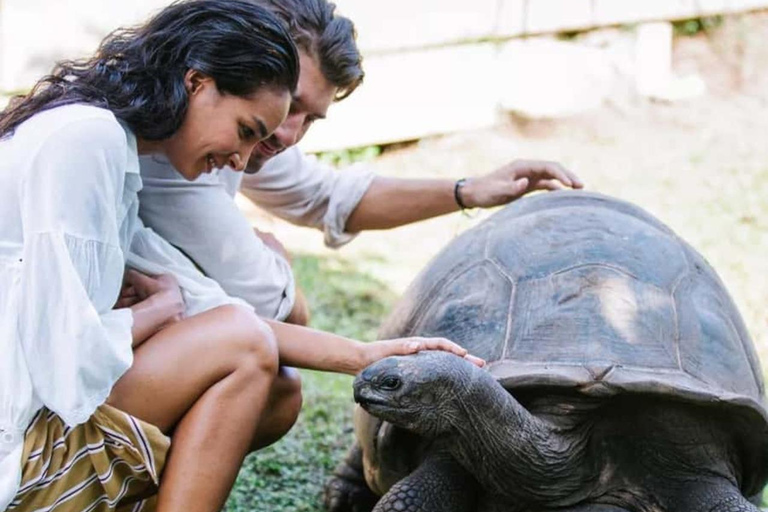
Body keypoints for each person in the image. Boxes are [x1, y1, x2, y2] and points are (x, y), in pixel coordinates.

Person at [0, 2, 481, 511]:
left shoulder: (120, 153)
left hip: (39, 415)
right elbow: (67, 360)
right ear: (197, 83)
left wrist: (361, 355)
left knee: (274, 384)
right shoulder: (86, 140)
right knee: (244, 345)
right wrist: (157, 311)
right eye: (247, 131)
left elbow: (206, 305)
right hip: (18, 438)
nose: (242, 160)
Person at [138, 0, 585, 329]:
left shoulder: (243, 132)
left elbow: (327, 196)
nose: (290, 134)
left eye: (311, 118)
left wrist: (468, 191)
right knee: (271, 378)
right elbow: (275, 303)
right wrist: (282, 266)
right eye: (289, 105)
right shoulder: (174, 153)